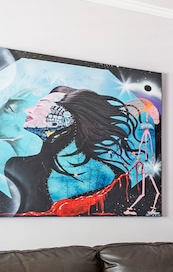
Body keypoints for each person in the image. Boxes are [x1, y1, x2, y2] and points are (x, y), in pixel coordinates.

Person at [0, 85, 139, 215]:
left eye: (40, 105)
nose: (29, 110)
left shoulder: (113, 178)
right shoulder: (17, 167)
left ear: (67, 118)